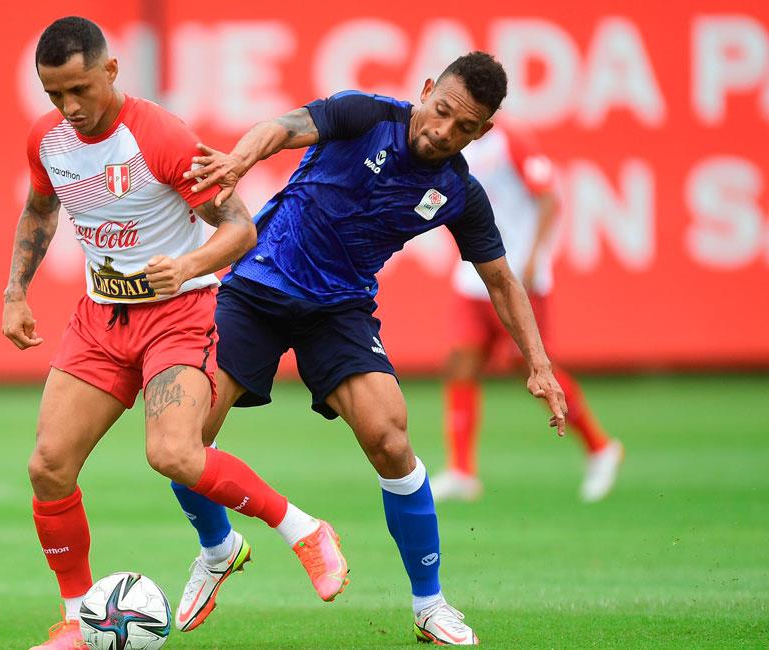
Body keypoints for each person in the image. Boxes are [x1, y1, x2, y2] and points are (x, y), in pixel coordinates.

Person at [167, 52, 568, 645]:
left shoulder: (458, 190)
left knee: (391, 438)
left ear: (483, 131)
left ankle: (430, 606)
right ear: (427, 90)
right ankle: (218, 547)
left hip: (339, 309)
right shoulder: (364, 115)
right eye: (441, 112)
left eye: (465, 127)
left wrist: (539, 365)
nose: (443, 132)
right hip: (258, 285)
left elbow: (502, 280)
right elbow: (281, 128)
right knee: (186, 434)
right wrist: (236, 162)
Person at [2, 17, 349, 650]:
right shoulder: (47, 140)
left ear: (112, 70)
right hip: (101, 320)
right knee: (48, 466)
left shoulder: (160, 137)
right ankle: (78, 620)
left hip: (179, 315)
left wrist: (186, 267)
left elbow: (241, 228)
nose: (69, 107)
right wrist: (15, 291)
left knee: (173, 454)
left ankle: (304, 530)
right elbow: (40, 206)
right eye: (54, 95)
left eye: (79, 89)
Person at [431, 122, 623, 503]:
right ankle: (462, 469)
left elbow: (550, 195)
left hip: (517, 275)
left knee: (527, 364)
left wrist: (536, 256)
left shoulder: (510, 144)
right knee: (461, 361)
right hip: (473, 275)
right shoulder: (453, 142)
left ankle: (600, 447)